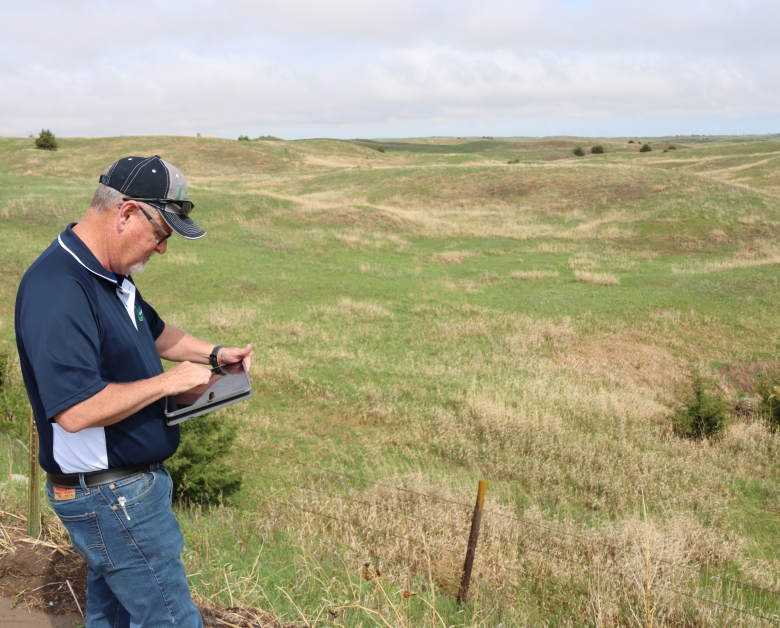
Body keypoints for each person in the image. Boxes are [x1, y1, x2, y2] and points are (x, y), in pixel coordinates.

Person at [14, 155, 253, 628]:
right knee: (172, 619)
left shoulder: (109, 275)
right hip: (111, 497)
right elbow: (75, 412)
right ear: (126, 214)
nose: (162, 249)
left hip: (124, 491)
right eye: (162, 234)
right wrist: (169, 381)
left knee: (115, 617)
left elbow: (155, 332)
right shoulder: (59, 289)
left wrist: (213, 354)